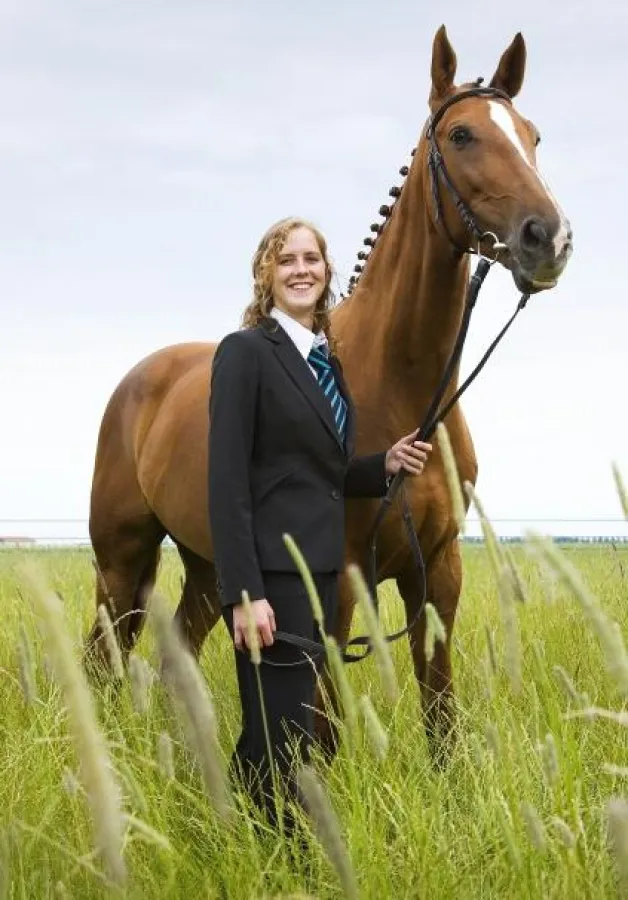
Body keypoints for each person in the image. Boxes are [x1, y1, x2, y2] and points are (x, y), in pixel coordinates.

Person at [208, 216, 431, 823]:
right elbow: (227, 484)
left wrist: (381, 464)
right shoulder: (246, 353)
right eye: (287, 260)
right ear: (265, 275)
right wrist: (244, 593)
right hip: (274, 580)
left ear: (328, 271)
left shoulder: (323, 363)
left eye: (311, 258)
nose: (301, 270)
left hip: (322, 574)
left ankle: (238, 843)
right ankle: (286, 859)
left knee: (281, 735)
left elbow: (315, 476)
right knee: (277, 738)